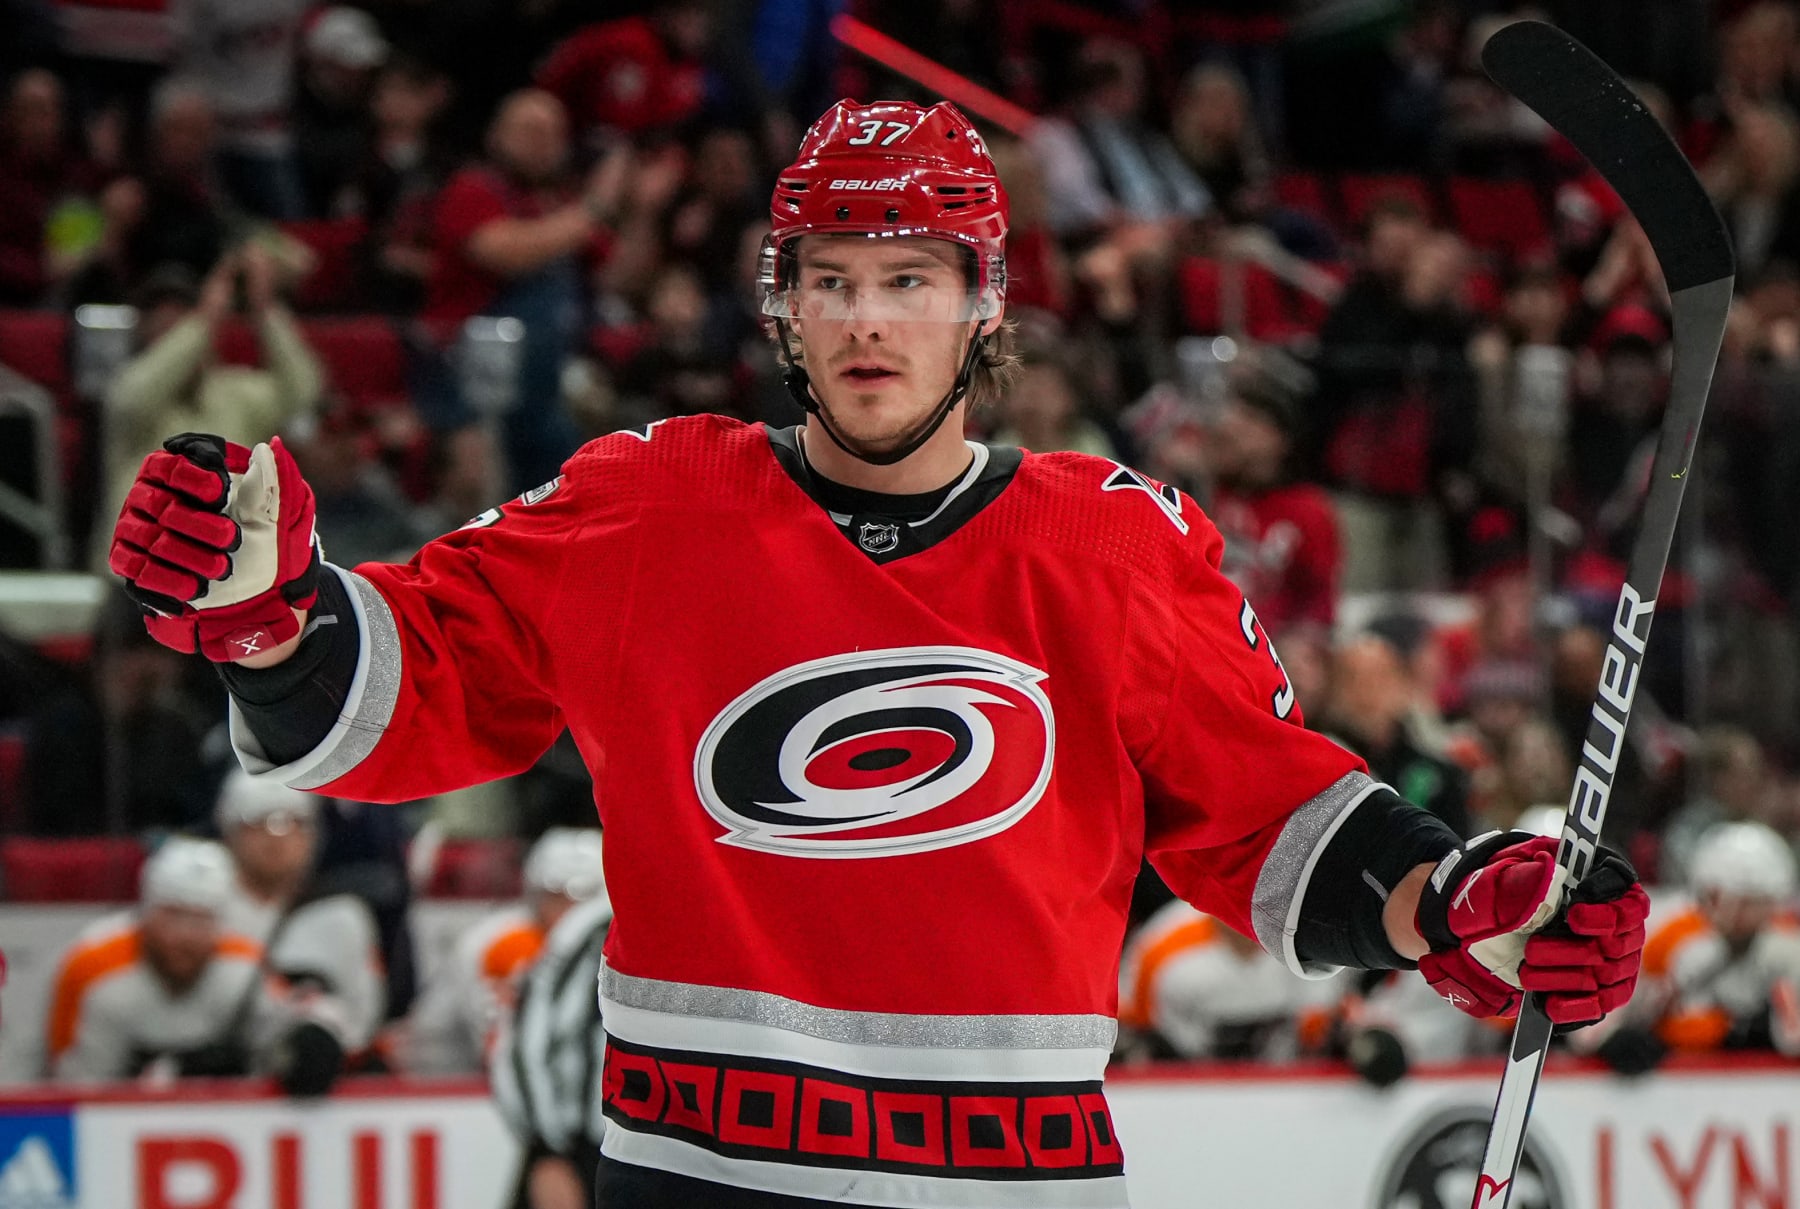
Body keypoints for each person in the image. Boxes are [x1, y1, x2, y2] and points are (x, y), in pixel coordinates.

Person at [107, 99, 1649, 1208]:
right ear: (782, 308)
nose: (868, 323)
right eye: (831, 281)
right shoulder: (651, 506)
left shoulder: (1107, 543)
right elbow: (420, 686)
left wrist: (1455, 900)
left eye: (910, 279)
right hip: (700, 1175)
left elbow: (1264, 814)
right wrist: (269, 618)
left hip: (1013, 1186)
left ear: (985, 307)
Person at [44, 838, 344, 1094]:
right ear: (145, 913)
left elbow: (288, 1036)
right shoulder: (93, 968)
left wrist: (306, 1042)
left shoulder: (245, 966)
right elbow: (72, 1088)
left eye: (201, 920)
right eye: (174, 916)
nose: (186, 936)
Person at [96, 245, 323, 571]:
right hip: (139, 580)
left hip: (224, 579)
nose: (181, 344)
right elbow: (136, 394)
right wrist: (206, 317)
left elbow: (304, 390)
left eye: (185, 330)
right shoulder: (130, 395)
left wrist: (265, 310)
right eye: (168, 336)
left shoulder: (236, 393)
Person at [1597, 822, 1800, 1072]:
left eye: (1761, 901)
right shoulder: (1672, 936)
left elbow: (1790, 1035)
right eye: (1748, 901)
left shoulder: (1784, 944)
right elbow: (1616, 1016)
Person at [403, 827, 606, 1075]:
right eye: (558, 898)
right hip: (448, 1078)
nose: (573, 913)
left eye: (586, 902)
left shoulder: (604, 944)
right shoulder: (501, 942)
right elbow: (501, 1043)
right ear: (536, 895)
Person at [214, 769, 387, 1058]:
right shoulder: (203, 915)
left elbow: (364, 1016)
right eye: (258, 823)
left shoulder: (342, 915)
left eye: (294, 823)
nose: (277, 839)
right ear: (230, 833)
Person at [491, 864, 615, 1209]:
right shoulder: (592, 931)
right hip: (585, 1150)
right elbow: (529, 1045)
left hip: (641, 1151)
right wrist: (549, 1153)